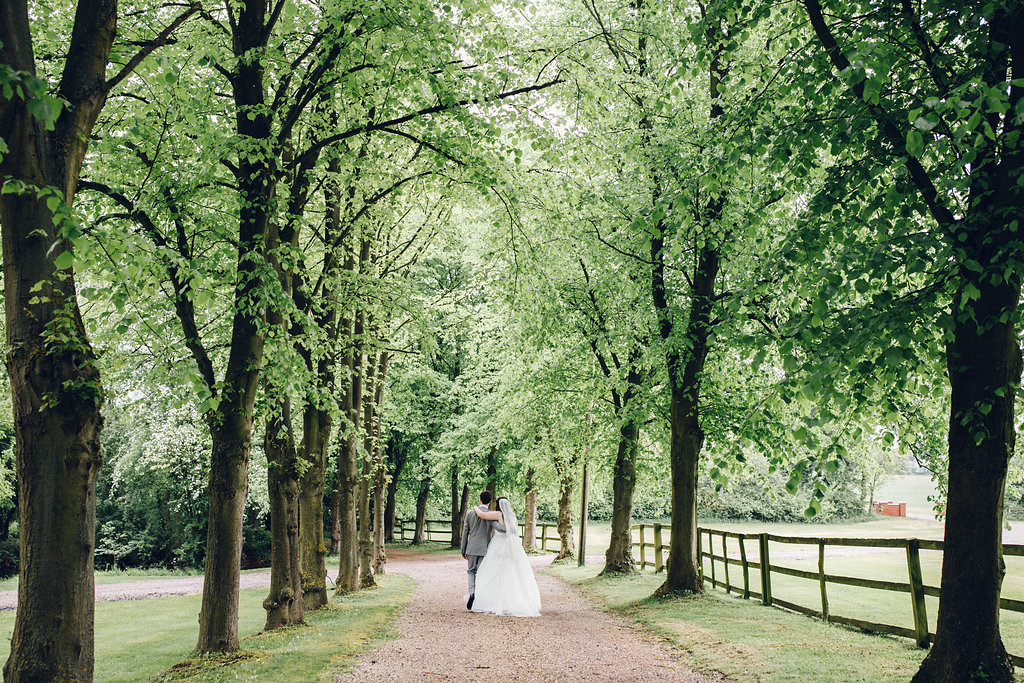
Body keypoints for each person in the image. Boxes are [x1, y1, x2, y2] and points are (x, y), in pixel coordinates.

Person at [469, 496, 542, 617]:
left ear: (498, 505)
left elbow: (482, 515)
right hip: (510, 546)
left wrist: (475, 507)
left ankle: (494, 601)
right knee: (511, 572)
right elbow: (512, 531)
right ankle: (513, 601)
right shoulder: (512, 516)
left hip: (498, 545)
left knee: (493, 571)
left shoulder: (498, 514)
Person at [461, 490, 505, 610]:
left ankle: (472, 593)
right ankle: (479, 597)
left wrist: (463, 549)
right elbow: (498, 528)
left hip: (471, 547)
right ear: (490, 501)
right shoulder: (492, 515)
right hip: (485, 549)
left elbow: (465, 532)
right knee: (481, 573)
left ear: (480, 499)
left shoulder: (470, 513)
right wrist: (510, 528)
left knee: (471, 571)